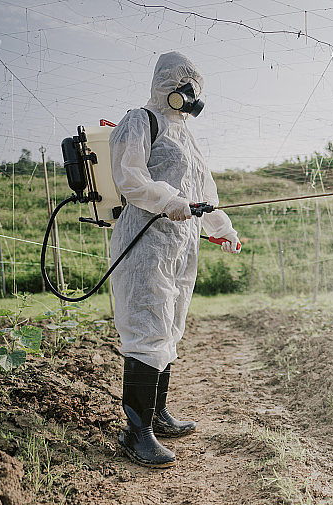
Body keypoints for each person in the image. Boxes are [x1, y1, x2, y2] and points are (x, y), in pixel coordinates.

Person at [108, 51, 239, 468]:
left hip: (181, 243)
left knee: (169, 325)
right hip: (147, 240)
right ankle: (136, 432)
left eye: (194, 89)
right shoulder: (140, 120)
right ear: (168, 84)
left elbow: (203, 197)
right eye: (184, 87)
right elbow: (130, 179)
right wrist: (169, 201)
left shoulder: (187, 136)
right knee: (148, 324)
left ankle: (157, 414)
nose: (189, 96)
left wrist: (222, 229)